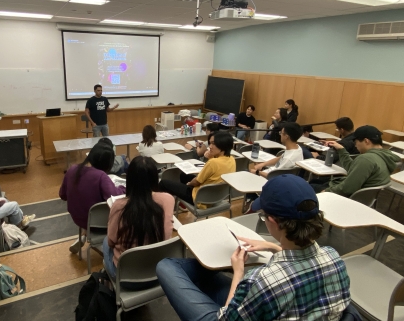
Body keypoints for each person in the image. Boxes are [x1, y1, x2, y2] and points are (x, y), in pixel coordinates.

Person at [156, 174, 356, 321]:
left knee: (167, 266)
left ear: (272, 222)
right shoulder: (334, 258)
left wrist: (238, 273)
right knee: (209, 276)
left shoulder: (262, 281)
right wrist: (272, 246)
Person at [103, 156, 174, 281]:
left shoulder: (119, 206)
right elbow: (166, 236)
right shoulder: (168, 199)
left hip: (126, 278)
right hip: (158, 273)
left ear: (129, 179)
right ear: (155, 178)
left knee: (105, 240)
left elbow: (111, 242)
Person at [59, 143, 126, 253]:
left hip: (78, 218)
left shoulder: (72, 169)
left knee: (91, 204)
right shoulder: (101, 176)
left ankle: (84, 234)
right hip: (97, 222)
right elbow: (115, 197)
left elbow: (62, 195)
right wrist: (123, 188)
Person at [310, 125, 400, 196]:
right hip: (361, 198)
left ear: (366, 141)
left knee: (309, 185)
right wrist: (341, 149)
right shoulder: (385, 156)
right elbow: (354, 169)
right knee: (315, 182)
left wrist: (326, 191)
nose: (355, 145)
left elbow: (347, 188)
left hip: (347, 197)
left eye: (356, 142)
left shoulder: (366, 159)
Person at [159, 131, 235, 205]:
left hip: (199, 198)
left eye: (214, 144)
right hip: (217, 196)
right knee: (184, 175)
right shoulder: (232, 159)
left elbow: (197, 181)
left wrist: (189, 184)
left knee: (163, 183)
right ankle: (182, 200)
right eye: (210, 143)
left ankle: (156, 207)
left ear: (223, 145)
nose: (210, 146)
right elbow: (214, 173)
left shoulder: (213, 163)